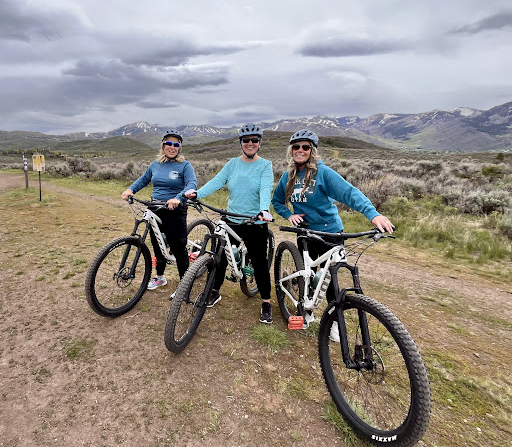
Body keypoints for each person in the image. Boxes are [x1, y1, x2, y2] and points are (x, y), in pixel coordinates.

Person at [271, 129, 394, 335]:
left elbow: (349, 193)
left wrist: (373, 214)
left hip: (331, 233)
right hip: (305, 233)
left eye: (305, 147)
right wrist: (289, 215)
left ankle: (334, 321)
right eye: (296, 147)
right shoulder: (288, 176)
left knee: (330, 280)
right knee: (308, 275)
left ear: (312, 150)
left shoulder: (323, 173)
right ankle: (306, 310)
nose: (300, 150)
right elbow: (277, 201)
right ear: (291, 150)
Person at [185, 123, 274, 323]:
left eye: (254, 140)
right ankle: (214, 291)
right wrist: (197, 194)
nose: (250, 143)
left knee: (259, 263)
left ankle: (266, 302)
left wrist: (264, 209)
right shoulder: (232, 164)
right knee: (220, 257)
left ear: (259, 143)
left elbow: (265, 188)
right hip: (231, 218)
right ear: (241, 143)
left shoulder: (265, 165)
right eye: (246, 140)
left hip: (255, 221)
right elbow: (217, 181)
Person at [121, 129, 197, 290]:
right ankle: (160, 277)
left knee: (178, 247)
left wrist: (179, 198)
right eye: (169, 143)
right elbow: (143, 180)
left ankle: (184, 285)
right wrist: (130, 190)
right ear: (163, 145)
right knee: (157, 244)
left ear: (179, 147)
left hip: (175, 209)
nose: (172, 147)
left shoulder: (185, 165)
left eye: (176, 144)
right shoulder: (155, 165)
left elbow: (192, 184)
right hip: (155, 208)